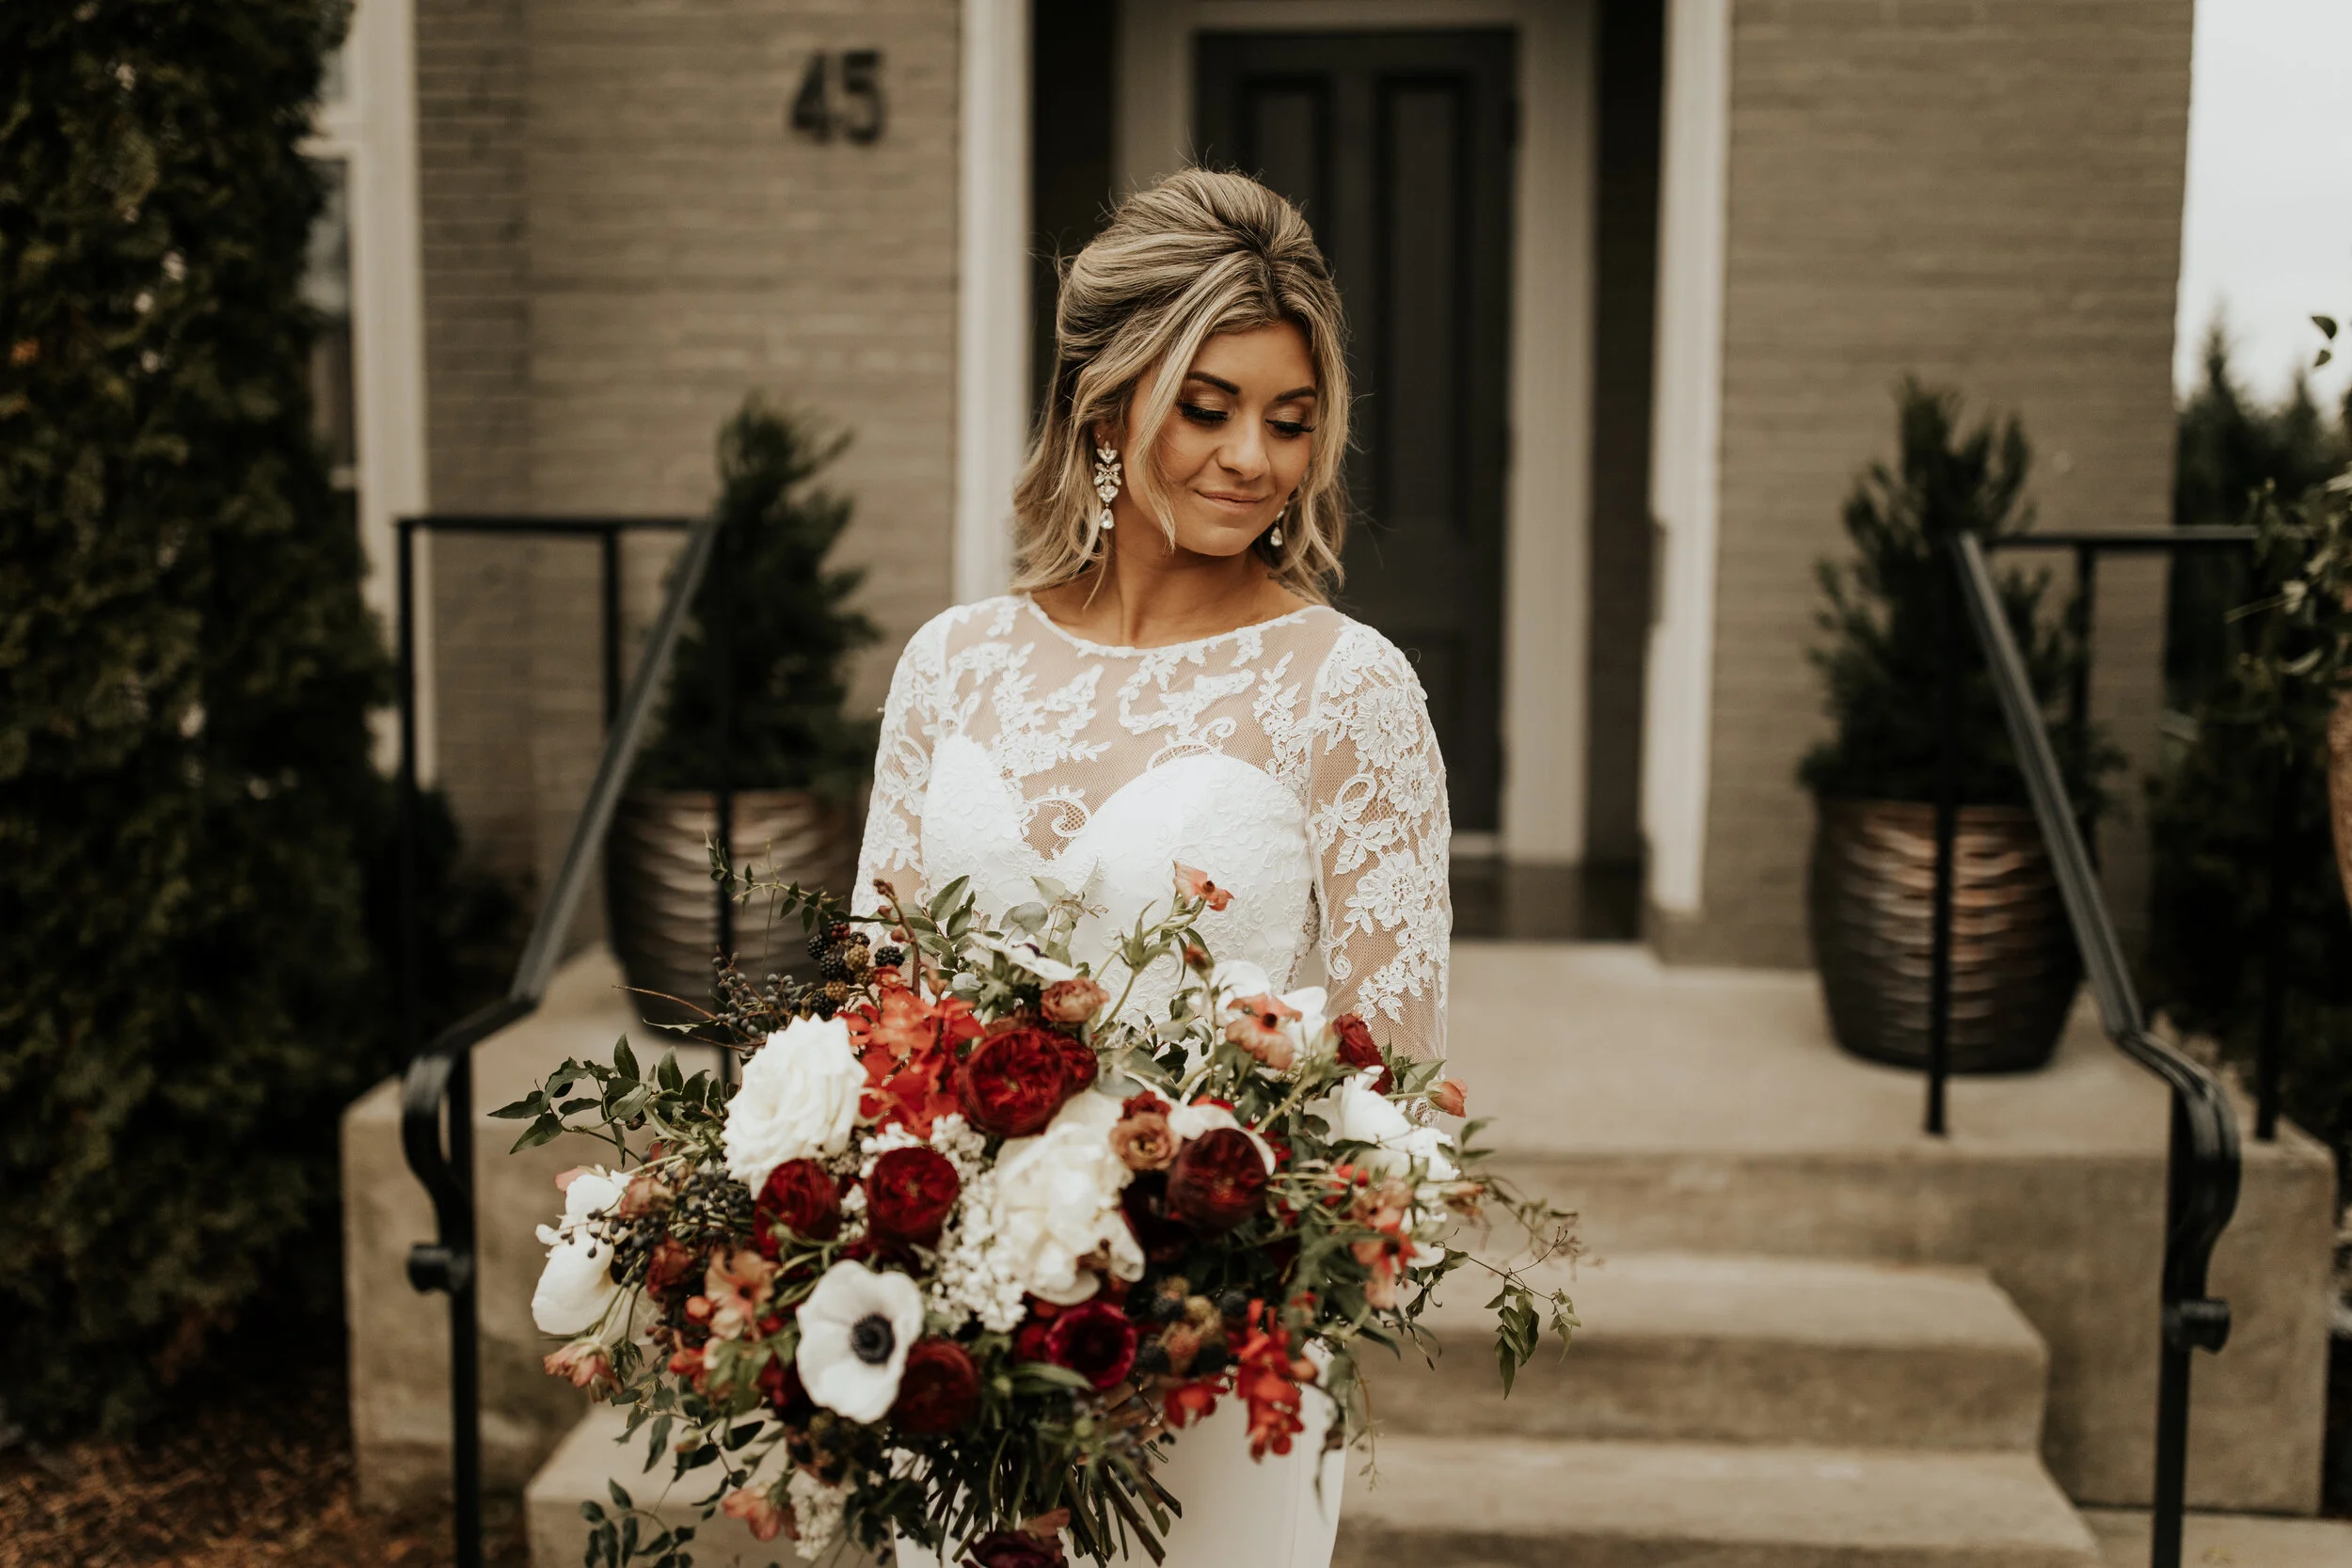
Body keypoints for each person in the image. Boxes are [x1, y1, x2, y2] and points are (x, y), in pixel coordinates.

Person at [855, 166, 1451, 1568]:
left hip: (1203, 1365)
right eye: (1208, 406)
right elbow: (877, 1003)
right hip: (957, 1353)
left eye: (1290, 421)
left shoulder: (1346, 689)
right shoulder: (951, 665)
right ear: (1106, 404)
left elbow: (1395, 1094)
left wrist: (1189, 1298)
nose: (1253, 458)